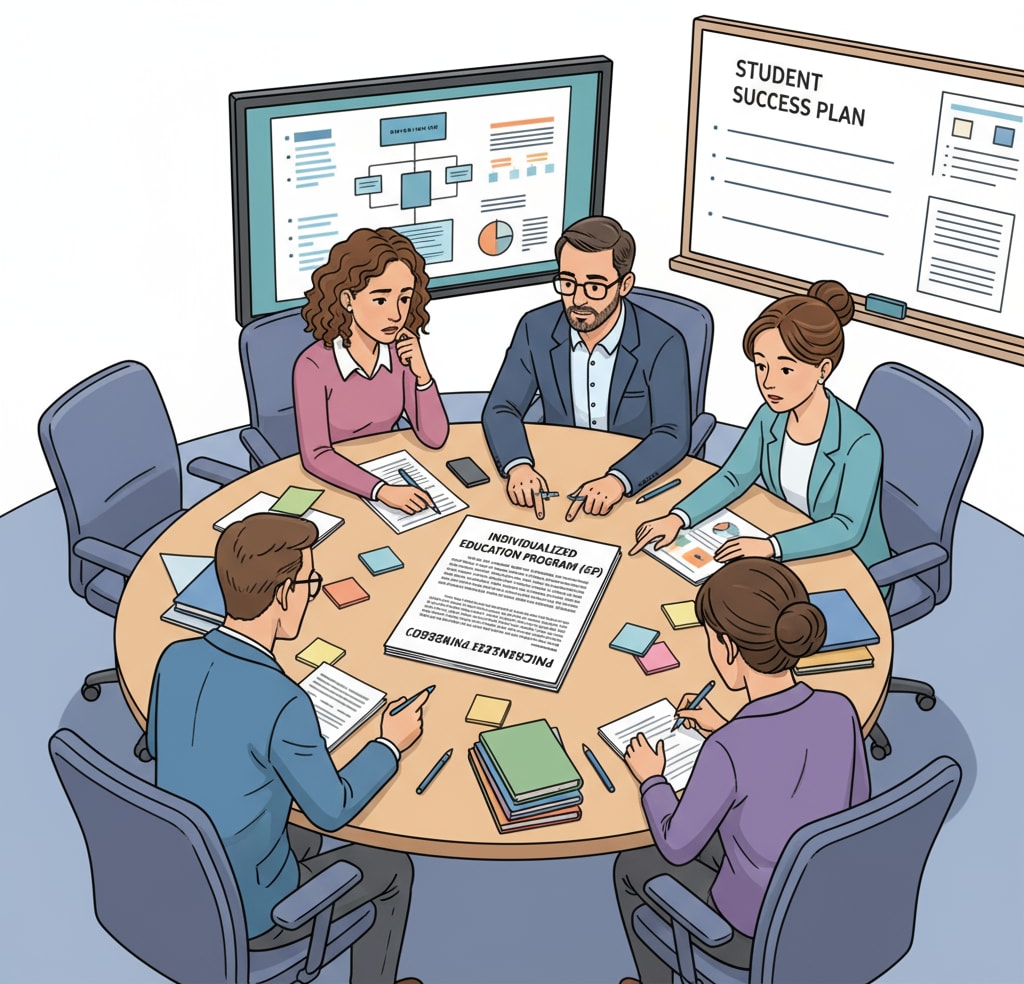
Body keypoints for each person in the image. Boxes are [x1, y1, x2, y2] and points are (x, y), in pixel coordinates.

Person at [147, 512, 426, 984]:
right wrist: (388, 745)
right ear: (283, 594)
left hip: (184, 877)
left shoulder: (174, 657)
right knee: (393, 867)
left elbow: (157, 743)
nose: (312, 594)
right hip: (253, 912)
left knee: (299, 836)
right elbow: (331, 810)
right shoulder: (284, 700)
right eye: (310, 583)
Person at [613, 557, 870, 983]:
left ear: (729, 648)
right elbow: (855, 810)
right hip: (822, 899)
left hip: (753, 930)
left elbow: (676, 847)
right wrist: (729, 725)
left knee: (630, 865)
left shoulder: (727, 749)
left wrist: (651, 778)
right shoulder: (840, 709)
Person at [631, 279, 890, 571]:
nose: (768, 382)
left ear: (823, 369)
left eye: (786, 369)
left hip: (848, 564)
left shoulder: (860, 441)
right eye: (761, 365)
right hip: (785, 546)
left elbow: (846, 527)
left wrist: (772, 546)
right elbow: (733, 476)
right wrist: (678, 518)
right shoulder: (770, 417)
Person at [482, 215, 691, 522]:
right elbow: (502, 406)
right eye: (568, 283)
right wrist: (518, 465)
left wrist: (619, 479)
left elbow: (673, 433)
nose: (578, 299)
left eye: (594, 286)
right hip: (556, 479)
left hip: (628, 489)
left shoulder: (663, 342)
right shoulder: (536, 328)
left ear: (624, 285)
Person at [293, 227, 449, 513]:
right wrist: (381, 490)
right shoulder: (313, 365)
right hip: (336, 487)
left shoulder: (399, 354)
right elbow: (315, 455)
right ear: (347, 299)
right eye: (380, 299)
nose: (395, 314)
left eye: (404, 298)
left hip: (389, 472)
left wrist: (422, 375)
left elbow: (435, 437)